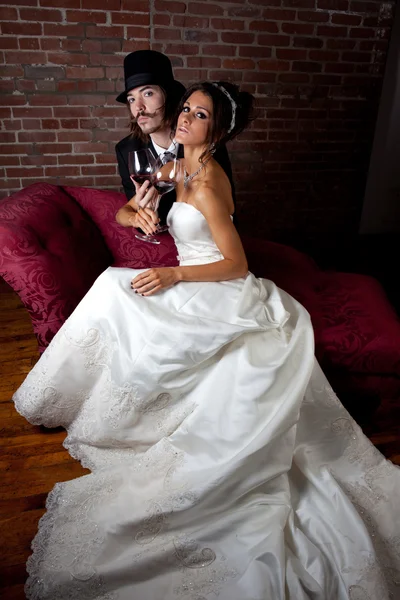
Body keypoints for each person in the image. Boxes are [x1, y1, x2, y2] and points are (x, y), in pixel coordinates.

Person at [13, 80, 400, 600]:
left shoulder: (210, 180)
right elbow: (127, 211)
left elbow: (236, 264)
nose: (185, 118)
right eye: (187, 109)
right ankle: (76, 400)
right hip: (192, 280)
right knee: (112, 285)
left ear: (216, 132)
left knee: (120, 292)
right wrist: (142, 214)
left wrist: (173, 275)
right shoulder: (176, 166)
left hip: (219, 288)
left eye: (199, 115)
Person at [114, 50, 235, 236]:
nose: (138, 107)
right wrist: (140, 216)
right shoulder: (127, 150)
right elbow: (137, 217)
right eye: (131, 99)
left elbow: (226, 210)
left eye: (147, 93)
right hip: (162, 240)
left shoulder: (202, 141)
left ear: (168, 96)